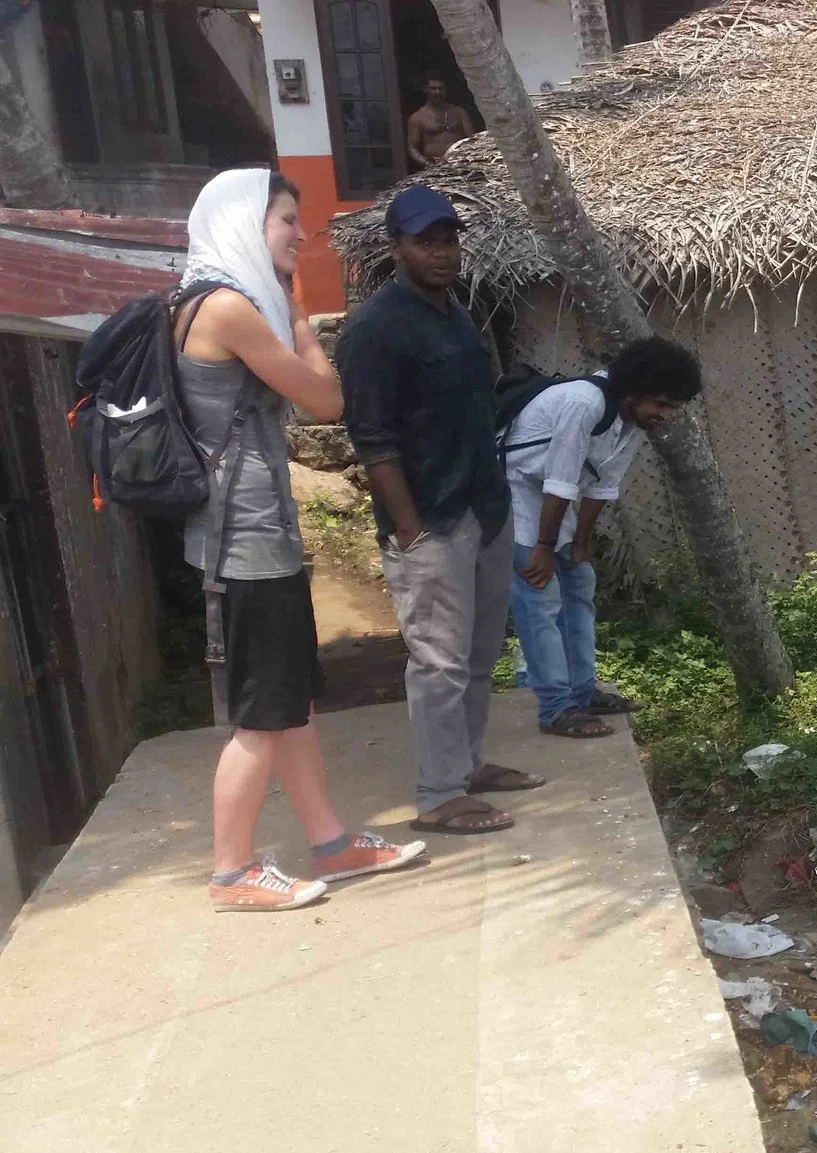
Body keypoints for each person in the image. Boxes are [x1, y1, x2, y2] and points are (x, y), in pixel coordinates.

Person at [179, 168, 426, 910]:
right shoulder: (228, 307)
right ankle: (231, 872)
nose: (301, 233)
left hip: (258, 534)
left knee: (292, 703)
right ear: (243, 224)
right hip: (245, 540)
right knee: (264, 712)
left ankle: (330, 842)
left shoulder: (211, 299)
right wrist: (294, 312)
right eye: (287, 219)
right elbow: (325, 399)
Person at [336, 185, 541, 835]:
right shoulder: (374, 328)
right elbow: (372, 438)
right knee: (438, 662)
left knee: (478, 656)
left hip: (483, 506)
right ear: (396, 247)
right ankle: (439, 795)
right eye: (427, 241)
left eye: (449, 240)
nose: (443, 252)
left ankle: (467, 766)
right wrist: (409, 528)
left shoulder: (456, 314)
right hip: (429, 519)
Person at [501, 338, 701, 737]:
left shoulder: (632, 420)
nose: (666, 415)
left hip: (548, 496)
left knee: (579, 582)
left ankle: (583, 692)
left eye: (673, 407)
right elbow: (561, 480)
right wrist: (544, 547)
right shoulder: (584, 402)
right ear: (634, 390)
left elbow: (603, 486)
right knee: (539, 597)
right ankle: (556, 708)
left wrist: (580, 542)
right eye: (661, 404)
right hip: (513, 487)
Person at [405, 74, 477, 170]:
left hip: (462, 163)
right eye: (433, 88)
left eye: (441, 89)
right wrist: (427, 164)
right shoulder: (418, 117)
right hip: (435, 165)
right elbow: (412, 147)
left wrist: (470, 158)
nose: (437, 92)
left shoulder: (459, 112)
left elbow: (472, 139)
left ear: (446, 90)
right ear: (425, 89)